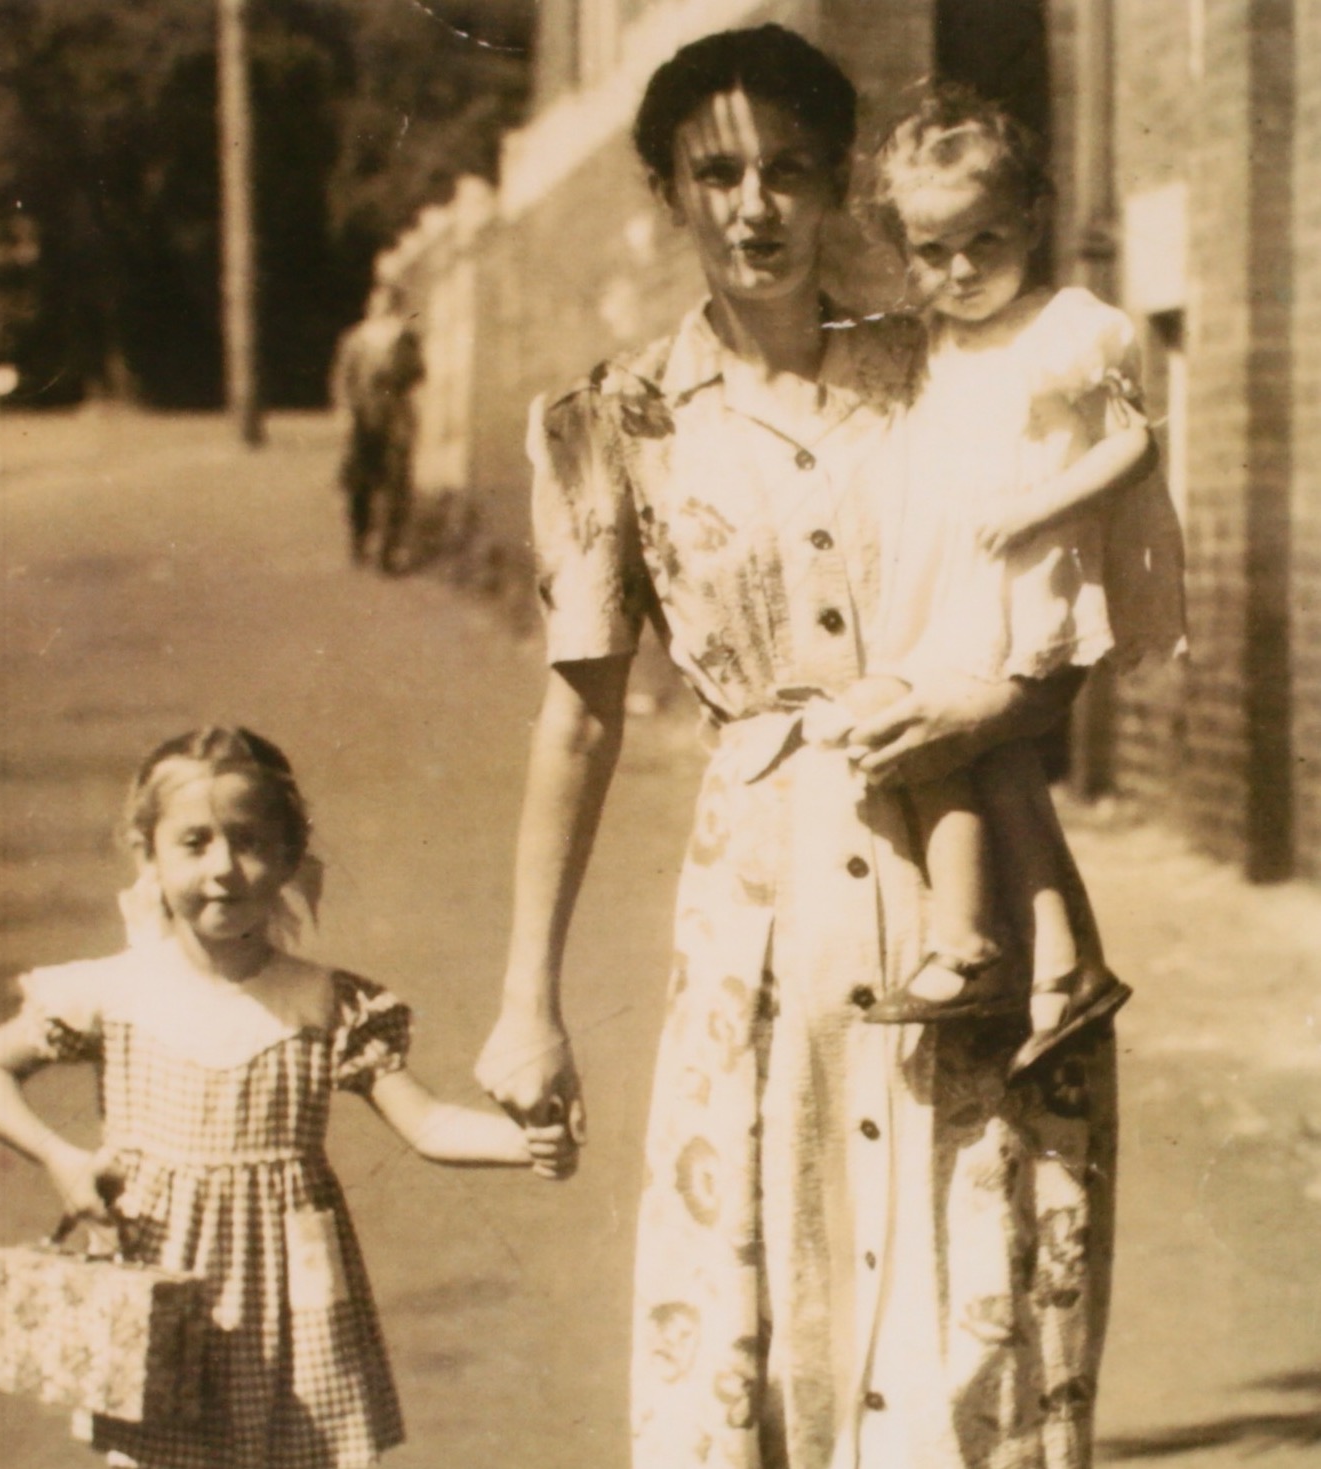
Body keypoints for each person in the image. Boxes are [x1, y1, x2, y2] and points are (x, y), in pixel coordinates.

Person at [475, 25, 1182, 1469]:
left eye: (788, 171)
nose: (753, 208)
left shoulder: (949, 365)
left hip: (962, 910)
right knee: (769, 1314)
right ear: (666, 190)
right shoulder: (617, 424)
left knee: (969, 1330)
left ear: (838, 184)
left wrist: (991, 708)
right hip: (759, 921)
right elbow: (582, 713)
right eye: (716, 172)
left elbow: (1065, 612)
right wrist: (526, 1000)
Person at [0, 727, 569, 1469]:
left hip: (296, 1312)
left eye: (247, 841)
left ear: (286, 853)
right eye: (194, 842)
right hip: (158, 1296)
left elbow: (427, 1120)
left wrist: (522, 1141)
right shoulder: (112, 991)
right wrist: (60, 1156)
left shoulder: (324, 1001)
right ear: (147, 853)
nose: (222, 869)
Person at [843, 86, 1187, 1071]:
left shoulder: (1059, 327)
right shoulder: (931, 346)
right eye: (933, 251)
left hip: (1017, 582)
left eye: (984, 242)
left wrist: (1035, 510)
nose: (960, 270)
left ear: (1031, 222)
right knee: (971, 753)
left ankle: (975, 944)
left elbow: (1133, 452)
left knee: (954, 738)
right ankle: (1046, 961)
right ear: (904, 251)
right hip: (950, 587)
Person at [333, 283, 425, 574]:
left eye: (388, 305)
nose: (382, 310)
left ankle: (389, 549)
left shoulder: (405, 339)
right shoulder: (356, 339)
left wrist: (398, 357)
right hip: (362, 417)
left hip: (395, 416)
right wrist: (346, 412)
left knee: (395, 482)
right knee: (360, 482)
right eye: (377, 304)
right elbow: (343, 378)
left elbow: (418, 372)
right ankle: (360, 538)